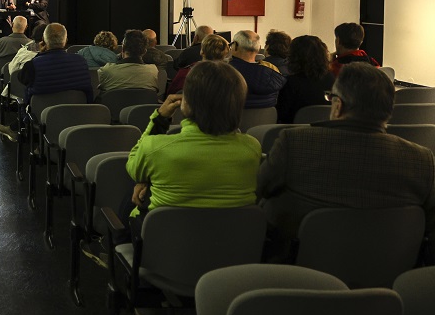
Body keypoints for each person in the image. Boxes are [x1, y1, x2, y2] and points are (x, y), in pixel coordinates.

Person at [258, 63, 435, 256]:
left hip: (298, 262)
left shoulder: (294, 143)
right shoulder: (423, 160)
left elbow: (261, 189)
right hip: (390, 267)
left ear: (337, 106)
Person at [127, 61, 261, 219]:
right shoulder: (252, 148)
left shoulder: (155, 148)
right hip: (232, 234)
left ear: (186, 103)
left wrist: (160, 119)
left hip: (166, 234)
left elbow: (134, 168)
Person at [19, 23, 94, 106]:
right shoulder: (81, 61)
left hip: (39, 113)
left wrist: (40, 54)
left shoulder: (33, 65)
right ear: (66, 40)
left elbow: (21, 79)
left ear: (43, 40)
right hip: (77, 112)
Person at [275, 35, 335, 123]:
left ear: (294, 56)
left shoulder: (291, 83)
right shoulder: (332, 80)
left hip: (294, 129)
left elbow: (281, 114)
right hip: (325, 129)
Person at [228, 30, 286, 108]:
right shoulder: (273, 75)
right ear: (259, 48)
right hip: (267, 116)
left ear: (236, 46)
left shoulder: (225, 72)